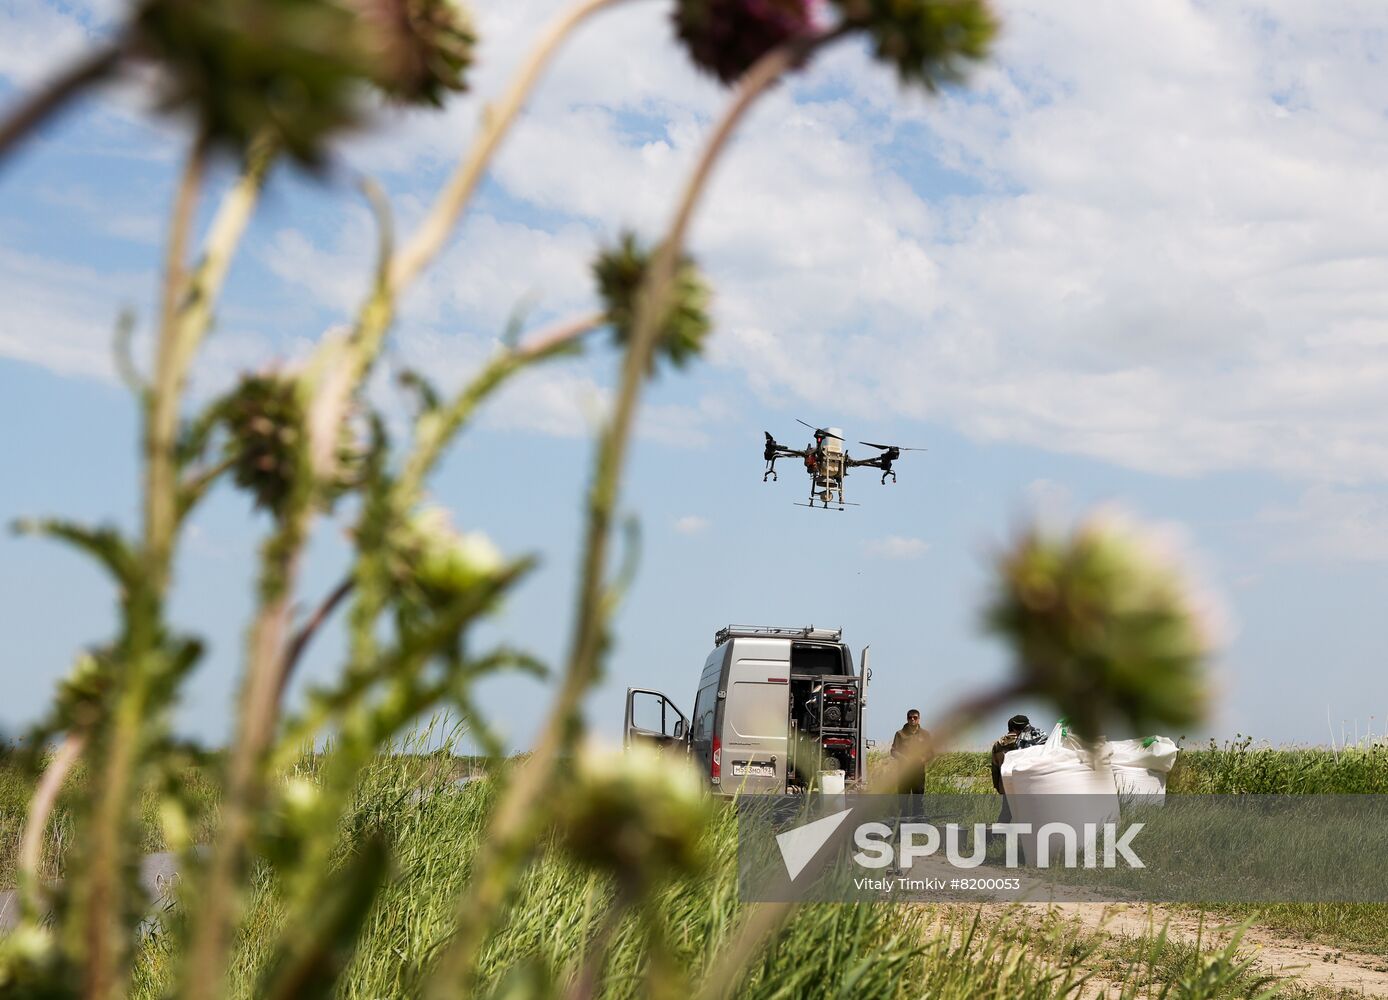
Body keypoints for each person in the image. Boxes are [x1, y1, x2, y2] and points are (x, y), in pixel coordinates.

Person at [991, 714, 1031, 824]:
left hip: (1006, 784)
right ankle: (1024, 838)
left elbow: (995, 768)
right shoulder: (1028, 743)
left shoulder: (997, 745)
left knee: (1006, 813)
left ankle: (997, 837)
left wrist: (998, 787)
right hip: (1024, 785)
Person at [891, 709, 932, 795]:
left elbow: (930, 752)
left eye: (915, 717)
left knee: (918, 802)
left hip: (919, 772)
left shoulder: (925, 734)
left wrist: (923, 759)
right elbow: (893, 751)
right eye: (910, 717)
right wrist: (904, 759)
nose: (912, 719)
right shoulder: (900, 734)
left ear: (919, 719)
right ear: (907, 719)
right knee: (903, 801)